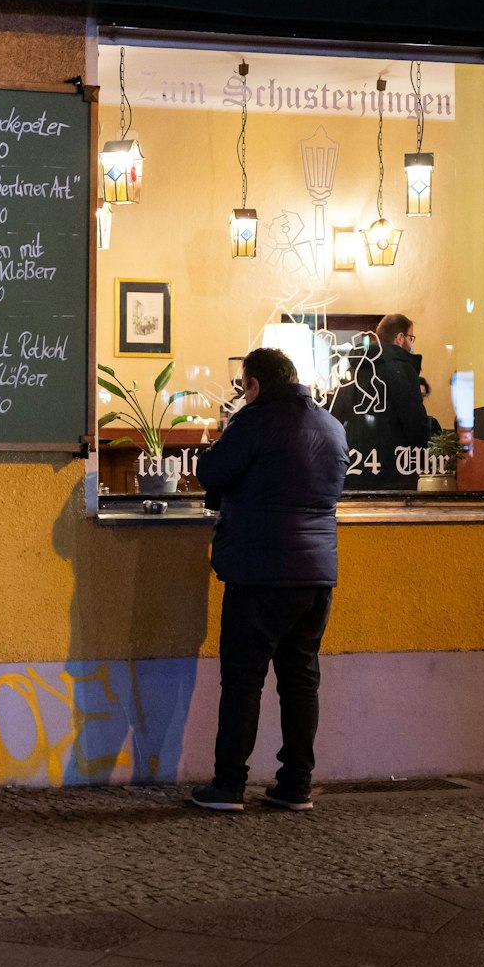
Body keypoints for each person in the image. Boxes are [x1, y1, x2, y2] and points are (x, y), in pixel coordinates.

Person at [190, 347, 347, 812]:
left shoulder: (256, 421)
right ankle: (295, 785)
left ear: (254, 385)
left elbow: (212, 473)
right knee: (301, 680)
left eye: (242, 386)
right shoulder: (332, 426)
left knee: (243, 679)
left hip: (260, 570)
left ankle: (228, 785)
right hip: (316, 573)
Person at [333, 313, 429, 490]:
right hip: (394, 468)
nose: (411, 343)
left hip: (356, 466)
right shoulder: (402, 369)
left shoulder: (357, 368)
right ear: (400, 338)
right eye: (411, 337)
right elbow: (414, 422)